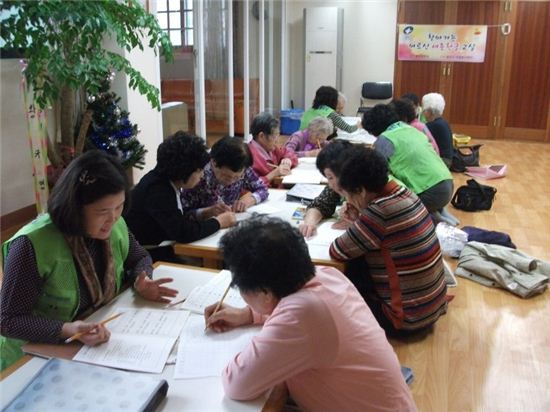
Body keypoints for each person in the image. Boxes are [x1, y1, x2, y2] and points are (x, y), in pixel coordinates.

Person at [204, 216, 417, 412]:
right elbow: (290, 312)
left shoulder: (301, 315)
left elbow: (237, 384)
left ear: (264, 292)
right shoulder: (327, 275)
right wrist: (249, 314)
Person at [0, 151, 178, 371]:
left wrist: (142, 279)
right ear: (74, 208)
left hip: (93, 347)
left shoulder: (116, 226)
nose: (113, 218)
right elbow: (9, 320)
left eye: (119, 207)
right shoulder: (32, 244)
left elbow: (139, 257)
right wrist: (68, 329)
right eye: (102, 211)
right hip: (31, 359)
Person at [329, 147, 448, 336]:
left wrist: (358, 221)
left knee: (339, 284)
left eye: (349, 195)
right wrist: (359, 218)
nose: (349, 200)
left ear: (361, 191)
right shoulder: (403, 192)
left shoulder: (379, 212)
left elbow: (337, 251)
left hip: (404, 319)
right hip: (431, 307)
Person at [125, 132, 236, 262]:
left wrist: (206, 213)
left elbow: (177, 218)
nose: (202, 176)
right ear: (185, 170)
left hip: (161, 247)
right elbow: (183, 233)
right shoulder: (157, 190)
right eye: (199, 170)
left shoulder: (163, 181)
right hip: (146, 256)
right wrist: (218, 222)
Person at [363, 104, 454, 216]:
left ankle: (429, 217)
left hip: (430, 192)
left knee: (382, 206)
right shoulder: (411, 129)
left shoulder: (385, 139)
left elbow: (377, 173)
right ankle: (432, 213)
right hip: (447, 184)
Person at [181, 136, 268, 214]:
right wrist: (206, 212)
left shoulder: (241, 167)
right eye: (226, 176)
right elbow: (183, 213)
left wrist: (249, 200)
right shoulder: (197, 175)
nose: (231, 181)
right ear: (213, 162)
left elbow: (262, 188)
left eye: (237, 177)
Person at [298, 140, 357, 238]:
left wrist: (358, 219)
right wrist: (309, 223)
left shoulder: (369, 189)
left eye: (332, 177)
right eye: (329, 177)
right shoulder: (336, 186)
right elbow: (321, 204)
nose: (332, 184)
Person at [248, 112, 298, 187]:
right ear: (261, 136)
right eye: (274, 136)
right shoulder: (248, 157)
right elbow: (251, 186)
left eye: (278, 135)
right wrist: (273, 174)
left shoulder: (271, 148)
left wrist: (288, 160)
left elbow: (290, 153)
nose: (277, 140)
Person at [422, 92, 454, 167]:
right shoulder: (443, 122)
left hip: (442, 161)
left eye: (425, 110)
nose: (423, 113)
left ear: (430, 111)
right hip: (448, 160)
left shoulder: (432, 125)